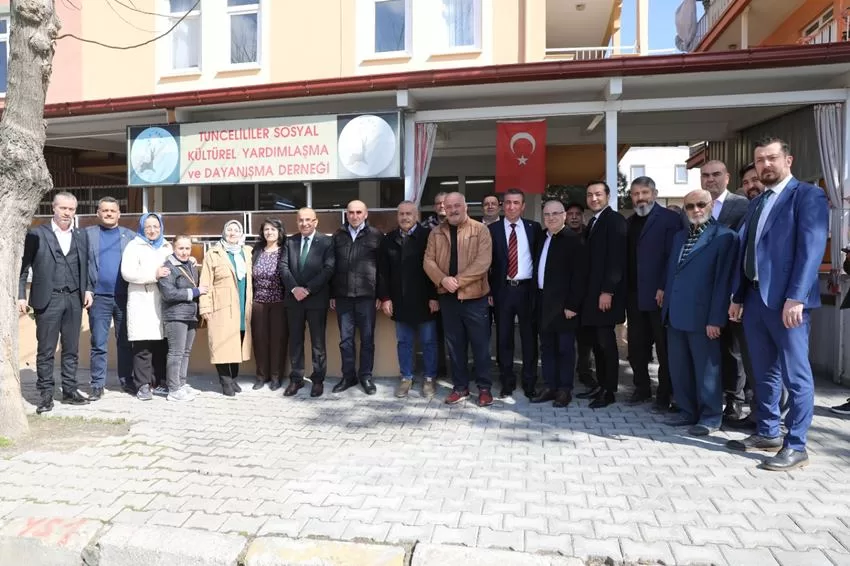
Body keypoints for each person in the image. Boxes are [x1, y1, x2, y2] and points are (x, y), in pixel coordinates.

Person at [727, 137, 829, 471]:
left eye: (772, 158)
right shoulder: (757, 202)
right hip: (756, 299)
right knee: (763, 371)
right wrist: (738, 297)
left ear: (789, 159)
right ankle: (768, 431)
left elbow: (811, 249)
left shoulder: (807, 195)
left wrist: (796, 297)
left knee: (795, 374)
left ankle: (796, 444)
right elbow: (747, 253)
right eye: (760, 160)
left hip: (787, 302)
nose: (765, 165)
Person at [662, 189, 737, 436]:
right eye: (690, 206)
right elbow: (673, 271)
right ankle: (687, 411)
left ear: (711, 205)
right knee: (680, 367)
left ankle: (710, 417)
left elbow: (723, 281)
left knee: (707, 370)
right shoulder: (679, 237)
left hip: (703, 317)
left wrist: (716, 319)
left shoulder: (725, 237)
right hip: (675, 314)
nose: (696, 210)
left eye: (701, 204)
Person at [19, 192, 92, 414]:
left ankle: (69, 390)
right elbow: (23, 268)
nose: (67, 213)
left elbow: (85, 265)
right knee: (46, 350)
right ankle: (45, 395)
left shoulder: (81, 235)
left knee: (71, 349)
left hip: (73, 298)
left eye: (71, 209)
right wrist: (21, 295)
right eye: (63, 208)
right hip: (47, 300)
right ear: (54, 208)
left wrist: (88, 289)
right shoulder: (36, 234)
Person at [424, 192, 494, 406]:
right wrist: (443, 280)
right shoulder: (436, 232)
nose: (453, 209)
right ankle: (460, 387)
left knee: (481, 346)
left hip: (475, 298)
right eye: (449, 206)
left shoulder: (480, 230)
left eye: (457, 205)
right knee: (455, 346)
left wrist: (458, 281)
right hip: (448, 299)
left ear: (465, 207)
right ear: (444, 208)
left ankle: (484, 389)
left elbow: (483, 262)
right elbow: (428, 261)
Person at [700, 160, 752, 423]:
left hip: (732, 289)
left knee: (733, 349)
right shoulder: (696, 207)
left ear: (727, 177)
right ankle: (711, 398)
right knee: (710, 348)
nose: (710, 179)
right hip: (703, 293)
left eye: (716, 174)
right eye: (705, 175)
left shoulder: (742, 206)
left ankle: (735, 401)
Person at [624, 177, 680, 410]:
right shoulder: (630, 222)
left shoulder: (670, 219)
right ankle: (641, 387)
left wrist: (663, 286)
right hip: (634, 295)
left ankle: (665, 393)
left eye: (645, 192)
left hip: (658, 295)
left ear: (655, 193)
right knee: (636, 345)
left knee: (663, 347)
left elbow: (673, 256)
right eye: (636, 194)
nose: (641, 198)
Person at [378, 201, 439, 399]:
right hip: (400, 300)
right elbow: (383, 273)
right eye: (401, 214)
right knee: (404, 342)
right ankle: (406, 377)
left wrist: (434, 297)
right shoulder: (389, 239)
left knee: (429, 342)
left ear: (417, 216)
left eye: (409, 214)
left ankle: (429, 378)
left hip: (424, 299)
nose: (404, 217)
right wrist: (385, 298)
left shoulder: (428, 236)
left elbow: (435, 269)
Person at [488, 188, 543, 399]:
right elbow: (487, 264)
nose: (511, 206)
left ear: (523, 206)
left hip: (527, 290)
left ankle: (529, 382)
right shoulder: (492, 229)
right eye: (508, 202)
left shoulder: (534, 228)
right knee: (504, 338)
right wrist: (490, 290)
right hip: (502, 290)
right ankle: (507, 382)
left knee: (529, 338)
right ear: (503, 205)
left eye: (516, 203)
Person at [576, 181, 627, 409]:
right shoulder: (595, 222)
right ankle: (601, 385)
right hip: (592, 296)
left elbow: (617, 260)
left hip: (605, 296)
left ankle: (609, 391)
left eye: (598, 194)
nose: (593, 198)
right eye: (589, 195)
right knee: (597, 344)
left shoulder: (614, 220)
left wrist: (608, 291)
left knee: (607, 345)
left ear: (607, 195)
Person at [532, 199, 587, 408]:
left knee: (565, 349)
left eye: (556, 213)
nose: (551, 217)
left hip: (565, 307)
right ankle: (550, 386)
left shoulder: (574, 240)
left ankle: (564, 389)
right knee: (546, 348)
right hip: (543, 303)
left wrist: (573, 305)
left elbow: (580, 277)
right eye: (547, 214)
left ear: (564, 215)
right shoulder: (542, 238)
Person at [330, 200, 383, 396]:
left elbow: (382, 268)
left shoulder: (375, 235)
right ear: (346, 214)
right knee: (346, 341)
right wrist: (332, 294)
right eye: (351, 212)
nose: (354, 216)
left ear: (366, 214)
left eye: (358, 212)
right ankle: (348, 376)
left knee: (367, 340)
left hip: (367, 297)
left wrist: (382, 295)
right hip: (343, 296)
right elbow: (331, 267)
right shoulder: (338, 236)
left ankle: (366, 376)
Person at [281, 208, 335, 398]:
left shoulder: (327, 242)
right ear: (297, 222)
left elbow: (329, 269)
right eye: (301, 220)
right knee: (295, 341)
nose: (304, 223)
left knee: (318, 343)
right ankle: (296, 379)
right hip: (294, 300)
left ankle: (318, 380)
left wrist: (309, 289)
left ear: (316, 222)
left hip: (316, 300)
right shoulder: (290, 241)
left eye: (308, 220)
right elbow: (283, 267)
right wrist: (295, 289)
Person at [85, 196, 135, 399]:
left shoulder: (130, 236)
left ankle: (126, 380)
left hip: (125, 298)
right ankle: (97, 384)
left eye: (112, 211)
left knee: (125, 342)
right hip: (98, 298)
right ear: (98, 213)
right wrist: (86, 289)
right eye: (104, 210)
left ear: (119, 214)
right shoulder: (87, 235)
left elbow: (153, 252)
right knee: (98, 342)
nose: (108, 214)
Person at [199, 220, 254, 397]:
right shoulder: (213, 253)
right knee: (222, 344)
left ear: (241, 234)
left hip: (242, 305)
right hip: (221, 307)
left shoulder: (247, 252)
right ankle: (225, 381)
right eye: (229, 229)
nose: (232, 233)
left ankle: (233, 377)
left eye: (236, 230)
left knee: (236, 341)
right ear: (223, 232)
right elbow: (205, 282)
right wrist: (205, 307)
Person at [121, 213, 172, 401]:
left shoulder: (167, 246)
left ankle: (158, 382)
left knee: (161, 344)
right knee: (142, 345)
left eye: (156, 226)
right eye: (148, 226)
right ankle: (142, 385)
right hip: (141, 299)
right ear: (142, 227)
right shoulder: (134, 246)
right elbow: (127, 272)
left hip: (161, 300)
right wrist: (154, 274)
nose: (152, 230)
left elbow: (174, 267)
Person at [158, 235, 206, 402]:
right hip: (175, 316)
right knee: (176, 353)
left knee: (185, 352)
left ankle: (182, 383)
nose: (184, 252)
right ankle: (173, 389)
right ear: (173, 247)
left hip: (191, 314)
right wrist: (194, 292)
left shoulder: (191, 264)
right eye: (181, 248)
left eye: (187, 248)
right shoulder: (167, 267)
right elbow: (168, 293)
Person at [251, 218, 287, 391]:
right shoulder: (257, 251)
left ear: (279, 232)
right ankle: (261, 375)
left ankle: (275, 376)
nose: (269, 232)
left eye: (273, 229)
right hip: (258, 301)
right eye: (266, 229)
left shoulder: (284, 251)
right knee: (259, 339)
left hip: (279, 302)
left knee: (277, 340)